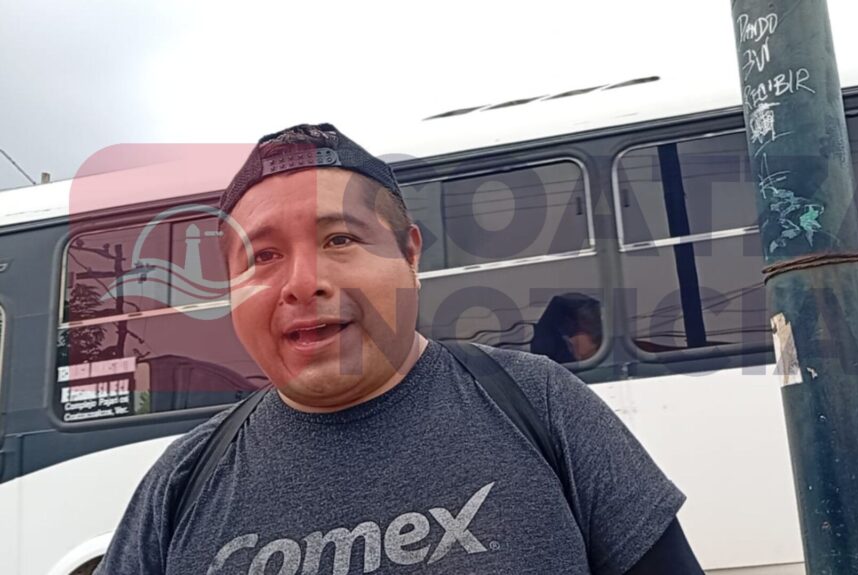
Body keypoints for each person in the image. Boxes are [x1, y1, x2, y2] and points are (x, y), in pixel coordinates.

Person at [96, 123, 704, 574]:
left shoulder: (539, 404)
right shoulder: (181, 481)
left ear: (409, 254)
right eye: (264, 256)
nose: (303, 283)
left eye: (340, 239)